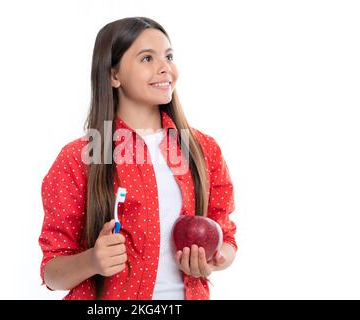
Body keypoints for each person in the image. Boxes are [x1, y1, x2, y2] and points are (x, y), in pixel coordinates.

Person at [38, 16, 237, 300]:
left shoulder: (203, 150)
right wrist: (93, 261)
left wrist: (216, 259)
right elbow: (52, 272)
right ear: (113, 75)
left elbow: (226, 237)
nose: (164, 67)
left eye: (168, 56)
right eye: (147, 58)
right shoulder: (78, 158)